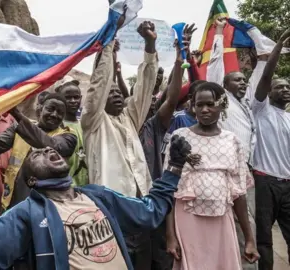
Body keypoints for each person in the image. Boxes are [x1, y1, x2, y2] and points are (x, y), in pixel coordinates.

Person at [0, 133, 193, 270]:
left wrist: (174, 168)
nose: (47, 148)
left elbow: (149, 213)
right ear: (31, 180)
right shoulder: (26, 215)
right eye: (36, 155)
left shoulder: (98, 196)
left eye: (48, 148)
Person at [165, 82, 259, 269]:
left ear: (222, 105)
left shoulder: (232, 141)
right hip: (188, 218)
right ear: (193, 106)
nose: (205, 109)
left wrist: (249, 238)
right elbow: (168, 189)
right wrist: (170, 236)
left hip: (221, 218)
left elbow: (239, 193)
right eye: (199, 105)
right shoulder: (179, 137)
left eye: (210, 104)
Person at [206, 18, 268, 270]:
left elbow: (260, 71)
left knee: (247, 222)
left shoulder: (248, 104)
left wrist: (256, 39)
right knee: (221, 223)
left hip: (245, 172)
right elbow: (215, 65)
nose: (243, 83)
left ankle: (247, 264)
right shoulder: (222, 100)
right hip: (221, 172)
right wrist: (219, 32)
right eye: (237, 80)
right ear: (224, 85)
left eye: (244, 80)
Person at [136, 24, 194, 270]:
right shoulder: (114, 130)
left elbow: (171, 97)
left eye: (152, 103)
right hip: (130, 208)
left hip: (158, 204)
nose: (148, 105)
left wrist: (181, 56)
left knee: (162, 259)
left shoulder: (153, 127)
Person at [81, 21, 157, 198]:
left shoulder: (130, 117)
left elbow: (145, 86)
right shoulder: (93, 122)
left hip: (141, 202)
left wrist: (150, 44)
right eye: (110, 92)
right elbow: (99, 83)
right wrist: (110, 39)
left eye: (118, 92)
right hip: (110, 206)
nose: (116, 95)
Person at [0, 95, 77, 210]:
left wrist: (16, 113)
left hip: (44, 207)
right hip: (12, 203)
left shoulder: (68, 136)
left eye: (60, 112)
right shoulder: (18, 128)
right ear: (40, 109)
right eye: (50, 109)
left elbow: (49, 145)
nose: (55, 114)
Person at [251, 28, 290, 269]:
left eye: (287, 87)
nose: (285, 90)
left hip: (288, 183)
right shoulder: (261, 109)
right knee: (264, 238)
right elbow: (266, 77)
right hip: (265, 181)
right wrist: (280, 45)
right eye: (280, 87)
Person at [55, 76, 88, 186]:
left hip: (87, 187)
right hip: (66, 188)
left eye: (76, 97)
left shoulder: (85, 125)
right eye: (68, 98)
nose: (73, 101)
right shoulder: (57, 127)